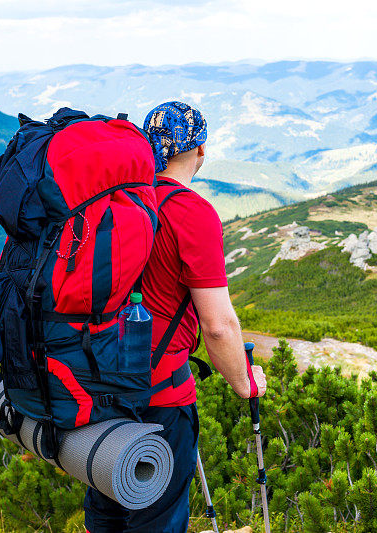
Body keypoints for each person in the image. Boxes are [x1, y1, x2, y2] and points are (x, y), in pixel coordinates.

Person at [84, 101, 268, 533]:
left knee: (107, 509)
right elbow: (218, 326)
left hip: (99, 383)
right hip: (160, 394)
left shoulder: (120, 200)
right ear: (199, 150)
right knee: (158, 518)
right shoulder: (190, 212)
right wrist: (245, 381)